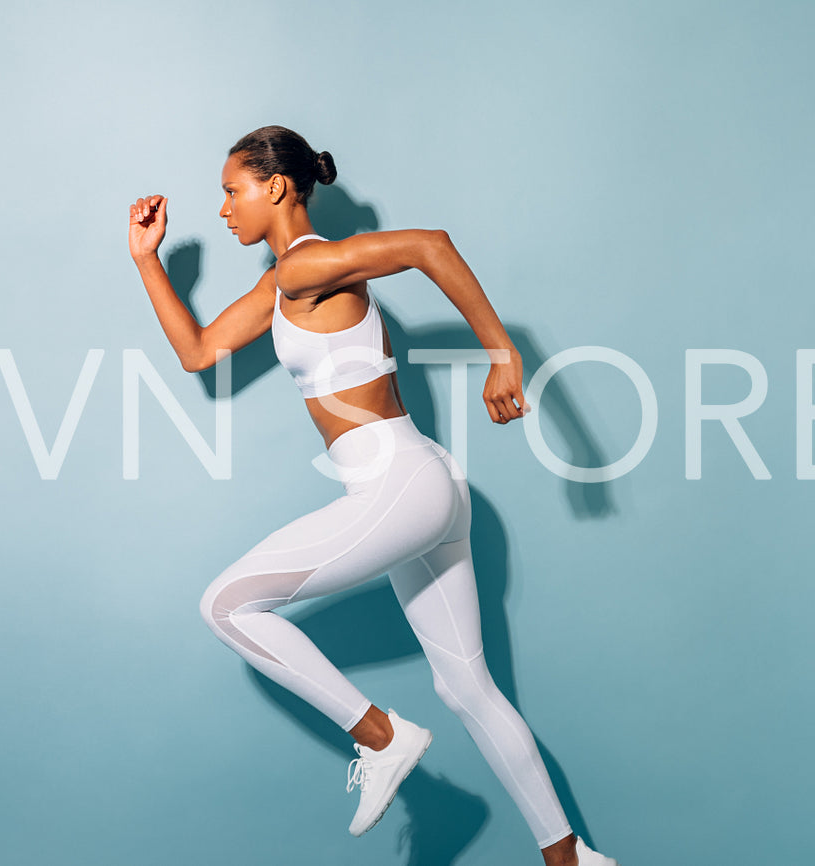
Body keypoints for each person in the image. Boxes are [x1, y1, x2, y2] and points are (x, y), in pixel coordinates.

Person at [128, 125, 618, 866]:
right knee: (468, 689)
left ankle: (383, 739)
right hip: (422, 487)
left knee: (225, 606)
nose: (224, 209)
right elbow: (199, 351)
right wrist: (147, 261)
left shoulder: (309, 266)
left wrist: (502, 353)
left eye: (233, 191)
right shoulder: (283, 282)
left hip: (397, 486)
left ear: (278, 187)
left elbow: (430, 246)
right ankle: (570, 859)